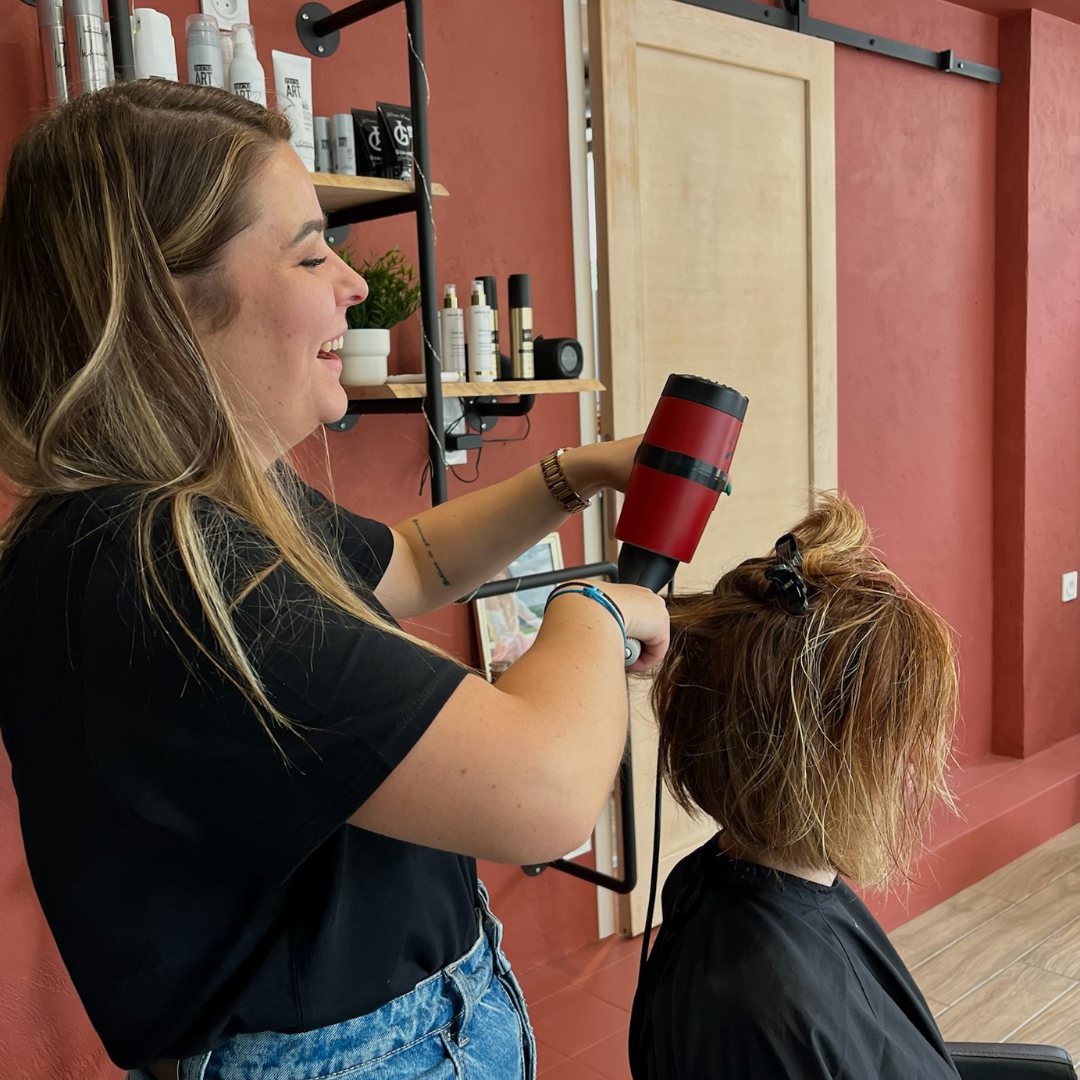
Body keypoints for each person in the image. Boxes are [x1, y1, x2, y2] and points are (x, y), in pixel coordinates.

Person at [0, 82, 669, 1080]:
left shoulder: (184, 509)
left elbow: (409, 563)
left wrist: (570, 477)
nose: (355, 287)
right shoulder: (168, 571)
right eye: (312, 251)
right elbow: (545, 791)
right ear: (168, 303)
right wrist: (597, 606)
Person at [629, 493, 961, 1080]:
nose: (911, 764)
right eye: (894, 737)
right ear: (824, 766)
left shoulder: (709, 884)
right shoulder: (765, 1012)